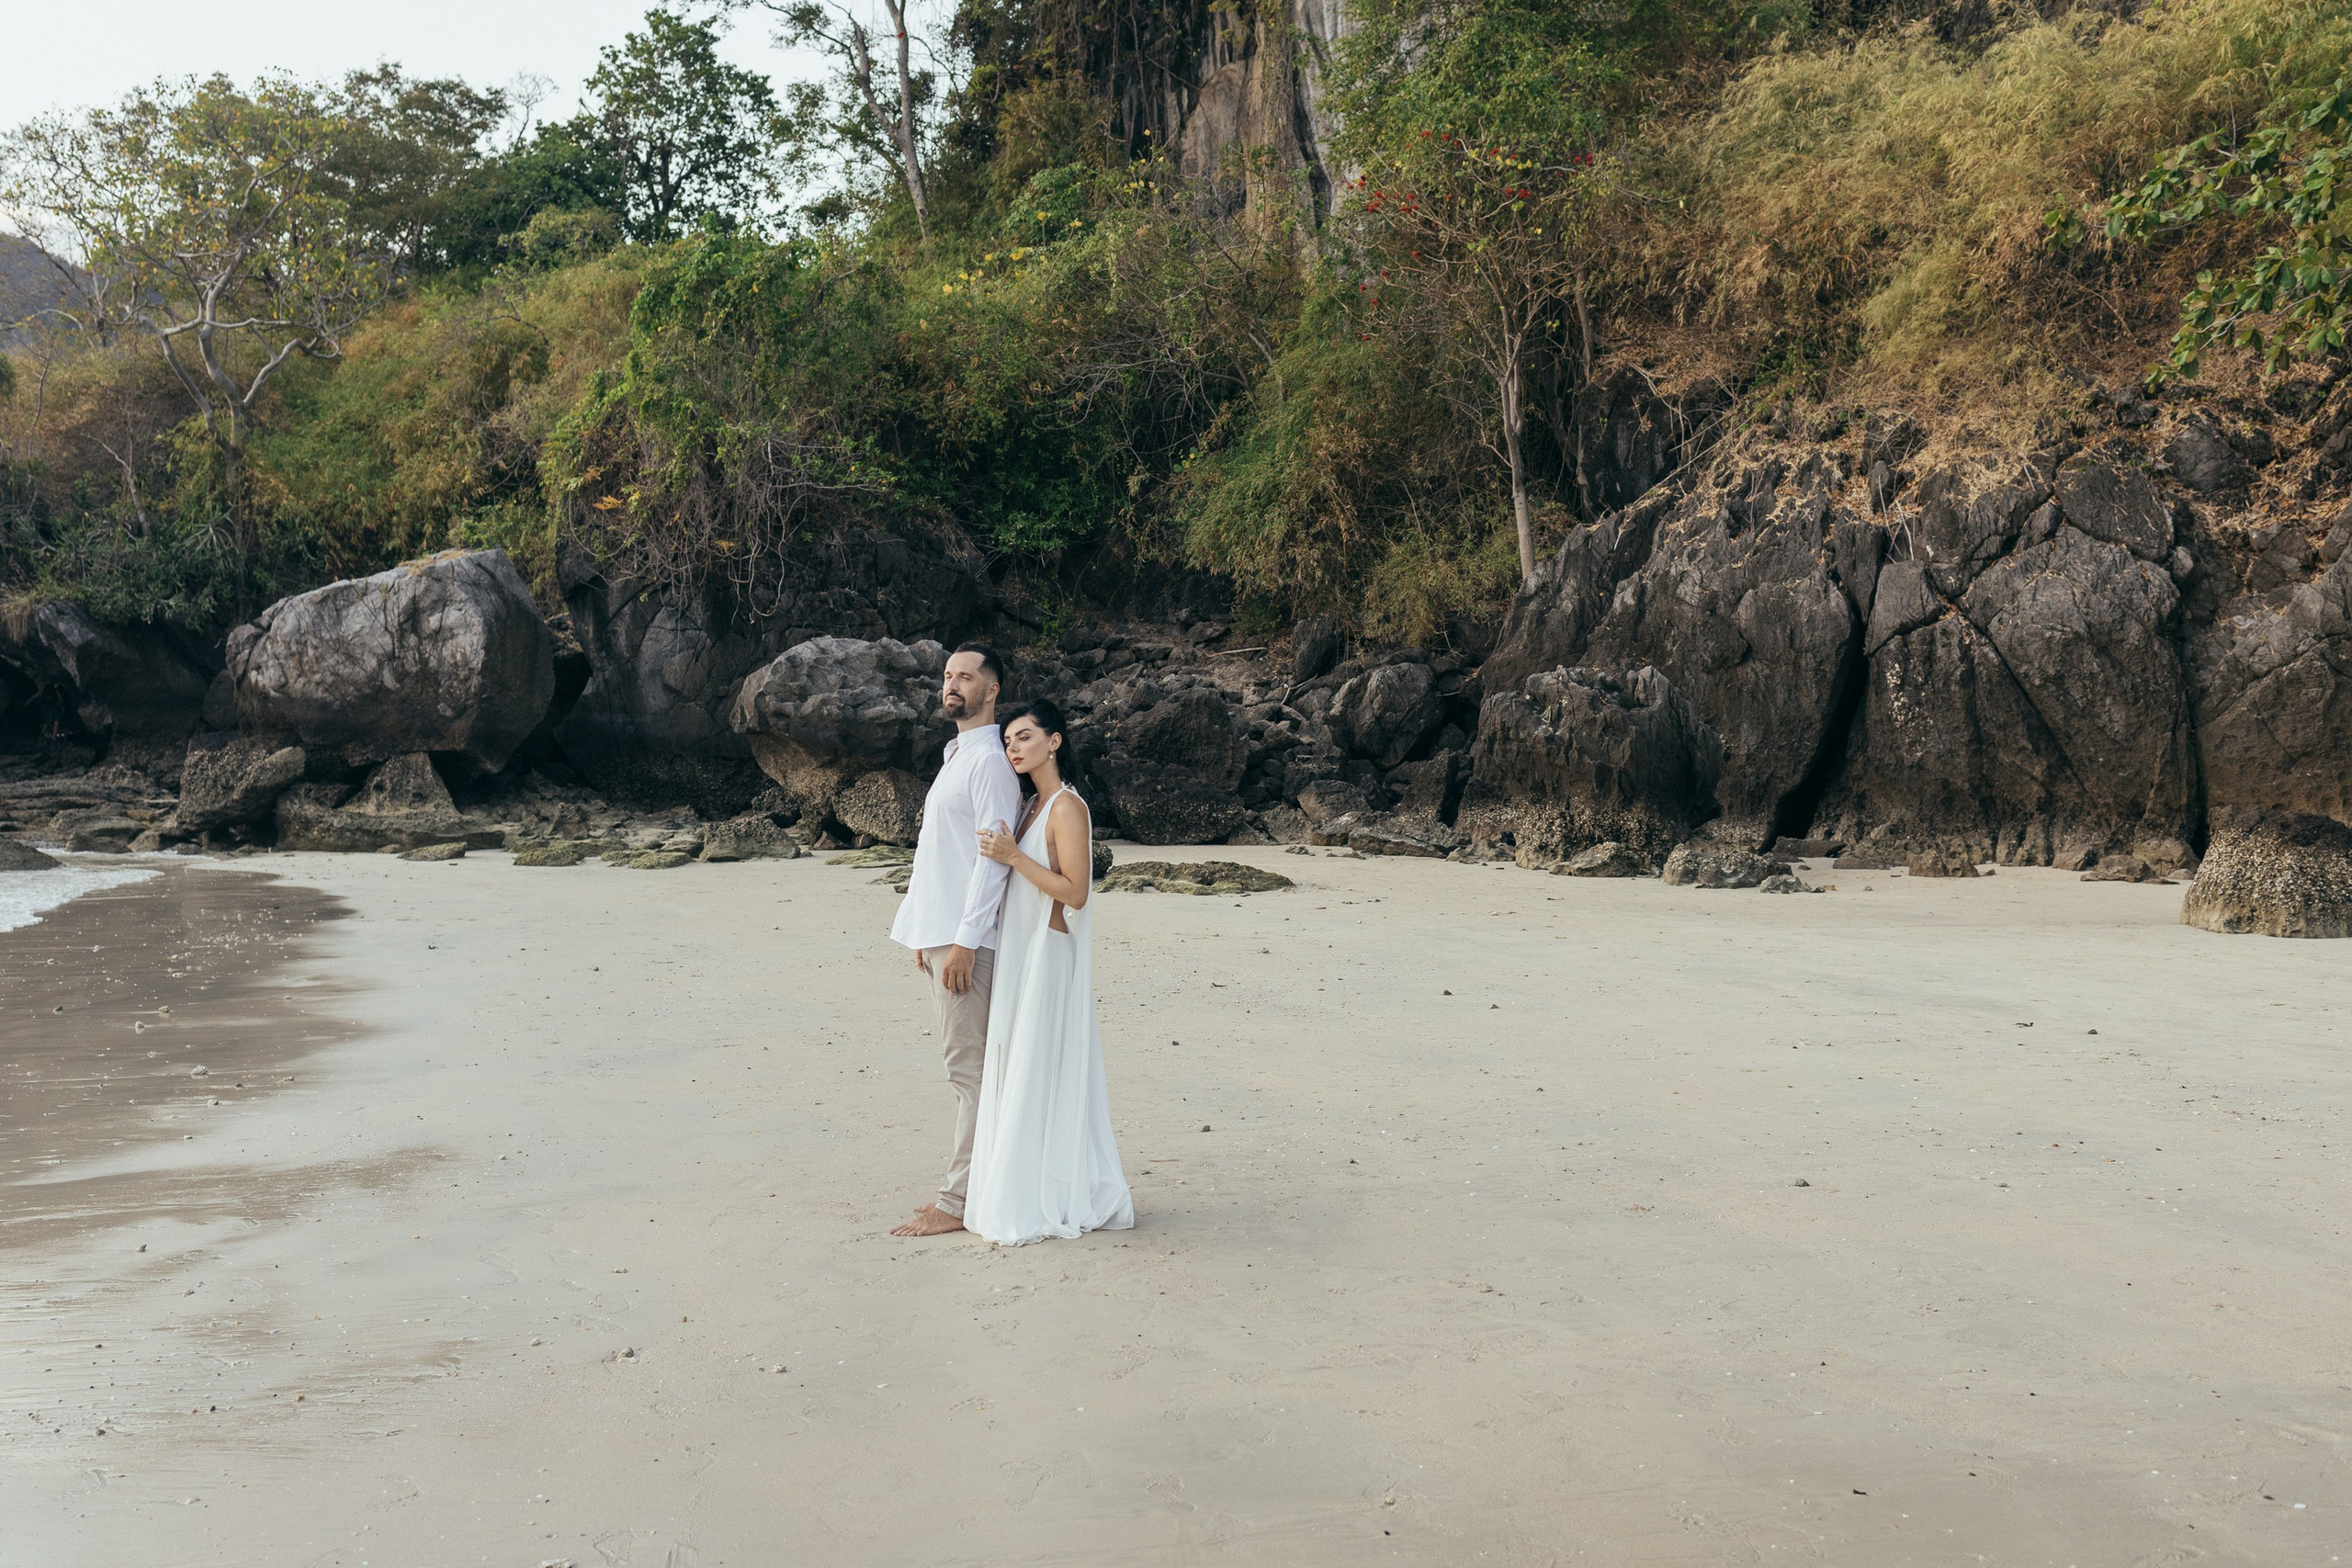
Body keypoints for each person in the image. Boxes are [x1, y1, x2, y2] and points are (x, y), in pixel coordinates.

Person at [965, 699, 1135, 1245]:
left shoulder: (1066, 807)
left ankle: (1049, 1192)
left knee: (1041, 1062)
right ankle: (1026, 1178)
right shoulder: (1030, 805)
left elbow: (1077, 892)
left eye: (1024, 737)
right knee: (1018, 1062)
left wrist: (1014, 856)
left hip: (1047, 953)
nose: (1013, 747)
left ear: (1055, 741)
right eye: (1009, 740)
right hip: (1018, 952)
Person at [888, 644, 1023, 1239]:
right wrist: (923, 928)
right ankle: (970, 1188)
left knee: (967, 1070)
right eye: (947, 675)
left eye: (965, 676)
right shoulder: (957, 755)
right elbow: (939, 855)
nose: (952, 684)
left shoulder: (989, 762)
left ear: (991, 690)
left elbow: (992, 859)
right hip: (941, 933)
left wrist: (965, 941)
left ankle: (957, 1200)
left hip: (967, 941)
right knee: (966, 1066)